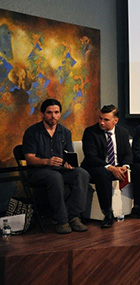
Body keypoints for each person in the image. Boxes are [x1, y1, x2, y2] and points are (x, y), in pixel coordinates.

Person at [22, 99, 90, 234]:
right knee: (55, 177)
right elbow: (29, 159)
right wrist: (46, 161)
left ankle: (74, 216)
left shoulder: (65, 132)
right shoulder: (32, 132)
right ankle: (61, 220)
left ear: (60, 114)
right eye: (49, 113)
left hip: (60, 170)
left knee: (82, 173)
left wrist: (68, 164)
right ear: (42, 114)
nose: (53, 116)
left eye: (56, 112)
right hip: (39, 171)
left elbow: (68, 155)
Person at [81, 105, 140, 228]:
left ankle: (139, 206)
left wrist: (125, 166)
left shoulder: (123, 132)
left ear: (116, 120)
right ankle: (107, 213)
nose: (102, 122)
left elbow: (128, 153)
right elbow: (90, 157)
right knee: (103, 174)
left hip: (118, 166)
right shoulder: (90, 132)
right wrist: (110, 167)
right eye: (100, 118)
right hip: (97, 167)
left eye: (106, 120)